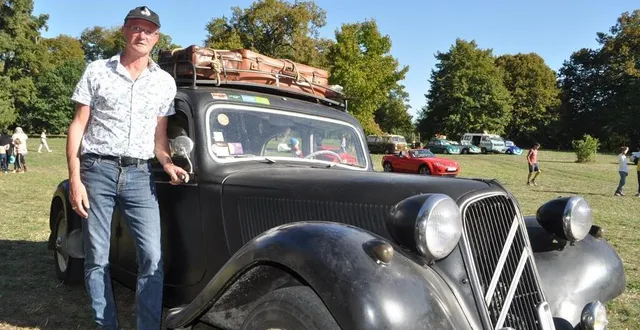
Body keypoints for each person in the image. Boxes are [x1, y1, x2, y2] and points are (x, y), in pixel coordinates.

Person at [67, 6, 188, 329]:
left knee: (152, 256)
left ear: (156, 38)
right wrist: (75, 179)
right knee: (98, 257)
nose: (142, 34)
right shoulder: (97, 70)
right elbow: (78, 126)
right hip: (97, 170)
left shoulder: (164, 83)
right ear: (124, 32)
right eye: (135, 28)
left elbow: (159, 137)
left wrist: (168, 163)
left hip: (140, 175)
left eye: (148, 30)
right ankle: (106, 325)